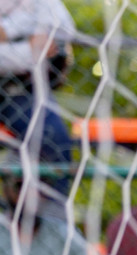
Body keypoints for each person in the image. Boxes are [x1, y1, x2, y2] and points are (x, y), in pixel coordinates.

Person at [0, 0, 74, 165]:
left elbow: (64, 27)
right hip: (16, 81)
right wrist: (30, 49)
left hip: (18, 90)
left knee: (54, 139)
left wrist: (7, 30)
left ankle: (36, 188)